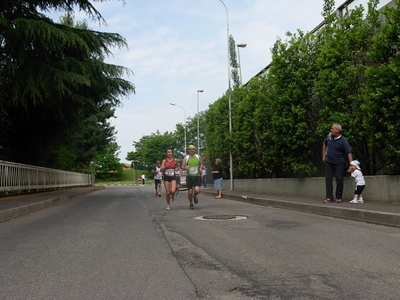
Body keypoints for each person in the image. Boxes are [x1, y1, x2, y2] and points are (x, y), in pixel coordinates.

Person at [322, 123, 353, 203]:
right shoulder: (329, 137)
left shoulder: (343, 141)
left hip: (339, 162)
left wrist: (351, 164)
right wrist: (324, 156)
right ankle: (329, 197)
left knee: (339, 179)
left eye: (333, 128)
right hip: (329, 161)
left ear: (337, 131)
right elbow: (324, 145)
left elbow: (348, 153)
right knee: (328, 179)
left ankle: (338, 197)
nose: (331, 130)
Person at [181, 145, 202, 209]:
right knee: (190, 192)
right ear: (188, 150)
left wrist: (200, 168)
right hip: (189, 176)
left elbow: (201, 163)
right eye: (190, 149)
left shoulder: (198, 157)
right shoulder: (186, 158)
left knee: (197, 190)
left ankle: (194, 195)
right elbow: (182, 167)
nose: (192, 150)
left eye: (193, 149)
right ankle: (191, 203)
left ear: (195, 150)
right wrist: (185, 168)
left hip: (196, 176)